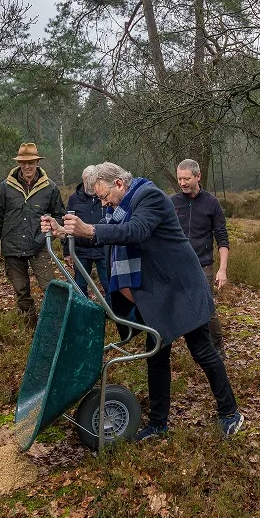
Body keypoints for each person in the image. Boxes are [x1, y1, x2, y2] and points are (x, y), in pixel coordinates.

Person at [42, 162, 245, 440]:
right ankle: (159, 424)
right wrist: (63, 231)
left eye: (104, 196)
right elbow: (110, 234)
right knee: (157, 357)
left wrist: (88, 230)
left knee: (203, 352)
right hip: (160, 294)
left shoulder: (150, 197)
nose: (103, 203)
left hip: (183, 289)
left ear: (119, 185)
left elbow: (134, 232)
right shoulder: (123, 206)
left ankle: (230, 413)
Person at [0, 143, 65, 332]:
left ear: (37, 162)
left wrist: (52, 231)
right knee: (21, 292)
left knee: (50, 288)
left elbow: (60, 215)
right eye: (23, 163)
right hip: (12, 246)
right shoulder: (5, 187)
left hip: (39, 245)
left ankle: (53, 329)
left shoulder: (50, 187)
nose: (27, 166)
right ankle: (30, 330)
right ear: (19, 163)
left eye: (31, 162)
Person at [170, 158, 229, 360]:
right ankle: (187, 346)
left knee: (206, 307)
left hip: (203, 264)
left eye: (187, 178)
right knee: (178, 305)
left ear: (198, 177)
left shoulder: (211, 203)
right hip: (177, 266)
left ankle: (217, 347)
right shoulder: (172, 203)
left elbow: (222, 238)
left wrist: (222, 269)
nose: (183, 183)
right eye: (179, 179)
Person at [65, 166, 109, 297]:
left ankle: (114, 313)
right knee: (80, 286)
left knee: (109, 284)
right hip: (81, 250)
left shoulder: (104, 196)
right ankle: (83, 314)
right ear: (82, 180)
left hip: (103, 249)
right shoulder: (74, 199)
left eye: (92, 179)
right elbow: (68, 225)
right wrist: (67, 251)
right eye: (86, 179)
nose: (89, 182)